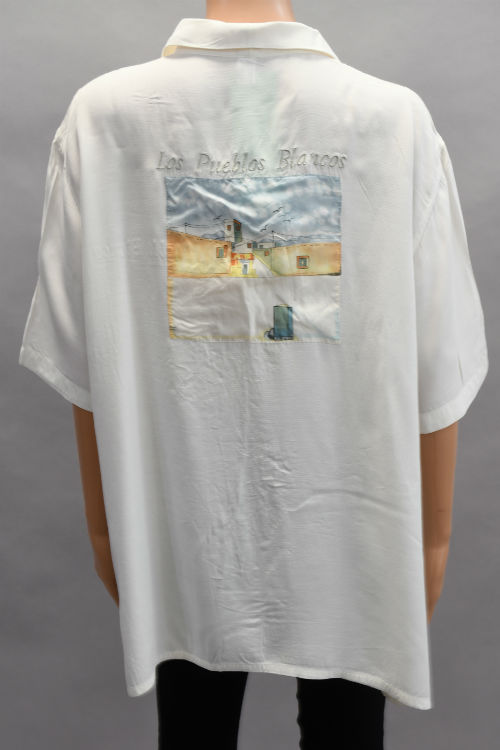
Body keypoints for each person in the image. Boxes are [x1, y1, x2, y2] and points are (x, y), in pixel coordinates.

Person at [19, 0, 489, 747]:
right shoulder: (390, 121)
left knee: (194, 724)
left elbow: (86, 364)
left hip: (185, 527)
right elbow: (443, 357)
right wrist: (432, 543)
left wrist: (110, 532)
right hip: (350, 528)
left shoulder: (107, 119)